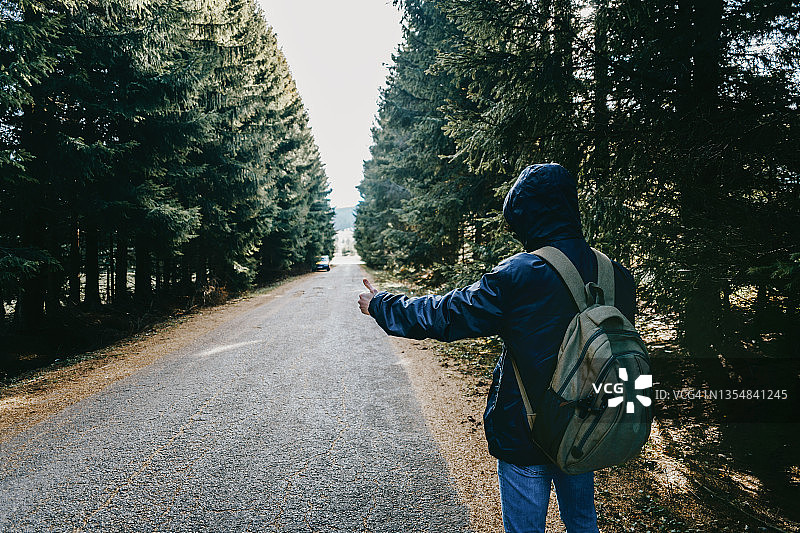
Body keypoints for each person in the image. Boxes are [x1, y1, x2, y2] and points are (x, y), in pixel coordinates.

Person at [358, 163, 636, 533]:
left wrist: (383, 304)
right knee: (584, 524)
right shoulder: (615, 272)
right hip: (587, 428)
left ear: (526, 215)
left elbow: (447, 315)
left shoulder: (519, 274)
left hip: (527, 434)